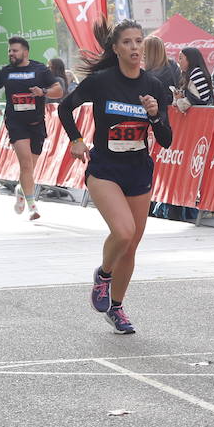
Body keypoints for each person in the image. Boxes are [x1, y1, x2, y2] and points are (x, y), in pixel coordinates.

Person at [57, 20, 173, 334]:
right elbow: (65, 108)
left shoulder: (154, 87)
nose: (135, 47)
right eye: (128, 42)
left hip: (138, 170)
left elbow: (166, 139)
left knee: (132, 245)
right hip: (105, 169)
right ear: (116, 49)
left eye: (139, 41)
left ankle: (117, 308)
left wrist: (154, 115)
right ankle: (103, 275)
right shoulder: (101, 82)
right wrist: (76, 140)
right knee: (123, 233)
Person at [0, 38, 62, 220]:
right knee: (26, 164)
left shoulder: (40, 70)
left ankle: (21, 189)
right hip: (15, 123)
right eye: (9, 51)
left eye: (15, 51)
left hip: (36, 123)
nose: (11, 54)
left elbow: (59, 90)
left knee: (30, 169)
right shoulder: (6, 72)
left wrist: (43, 92)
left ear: (26, 52)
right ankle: (32, 206)